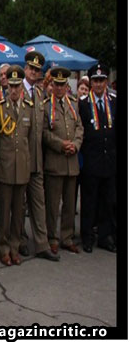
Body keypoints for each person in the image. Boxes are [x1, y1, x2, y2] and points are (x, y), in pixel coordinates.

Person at [19, 51, 60, 261]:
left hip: (37, 158)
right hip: (20, 158)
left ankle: (42, 244)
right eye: (31, 69)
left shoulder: (39, 95)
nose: (34, 73)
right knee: (19, 205)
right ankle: (21, 241)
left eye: (38, 70)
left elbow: (41, 129)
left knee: (38, 202)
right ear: (25, 69)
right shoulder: (17, 91)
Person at [0, 66, 34, 266]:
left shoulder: (29, 107)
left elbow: (30, 139)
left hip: (22, 168)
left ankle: (15, 247)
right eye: (12, 86)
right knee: (4, 211)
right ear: (7, 85)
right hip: (5, 167)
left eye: (18, 86)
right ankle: (3, 248)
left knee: (18, 213)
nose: (15, 90)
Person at [42, 66, 83, 255]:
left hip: (71, 163)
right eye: (56, 84)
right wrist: (61, 144)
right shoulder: (46, 106)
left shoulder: (73, 104)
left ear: (67, 85)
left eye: (62, 85)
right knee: (52, 204)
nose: (59, 88)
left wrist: (75, 144)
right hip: (55, 163)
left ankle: (67, 237)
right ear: (52, 85)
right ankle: (52, 237)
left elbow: (80, 128)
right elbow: (44, 133)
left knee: (69, 203)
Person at [78, 63, 116, 253]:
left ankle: (105, 236)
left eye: (102, 80)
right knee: (89, 201)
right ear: (91, 82)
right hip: (91, 161)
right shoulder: (83, 104)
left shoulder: (114, 101)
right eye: (96, 81)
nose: (99, 85)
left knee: (108, 201)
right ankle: (87, 236)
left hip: (110, 161)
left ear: (106, 81)